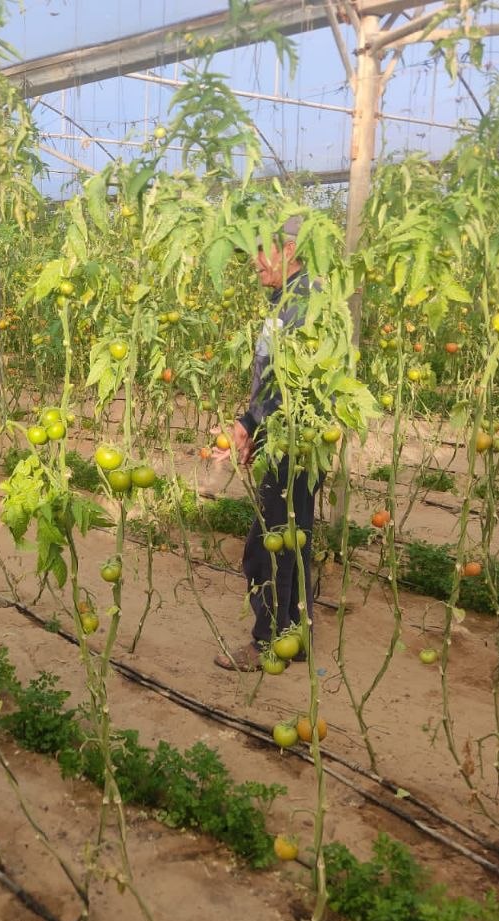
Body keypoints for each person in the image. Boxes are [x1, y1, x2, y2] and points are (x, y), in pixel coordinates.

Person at [215, 215, 322, 671]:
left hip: (292, 443)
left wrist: (258, 425)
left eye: (262, 250)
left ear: (291, 250)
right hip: (281, 439)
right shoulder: (289, 300)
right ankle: (290, 637)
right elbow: (273, 379)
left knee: (272, 546)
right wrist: (249, 422)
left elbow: (296, 386)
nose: (255, 261)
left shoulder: (305, 303)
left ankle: (271, 642)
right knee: (282, 542)